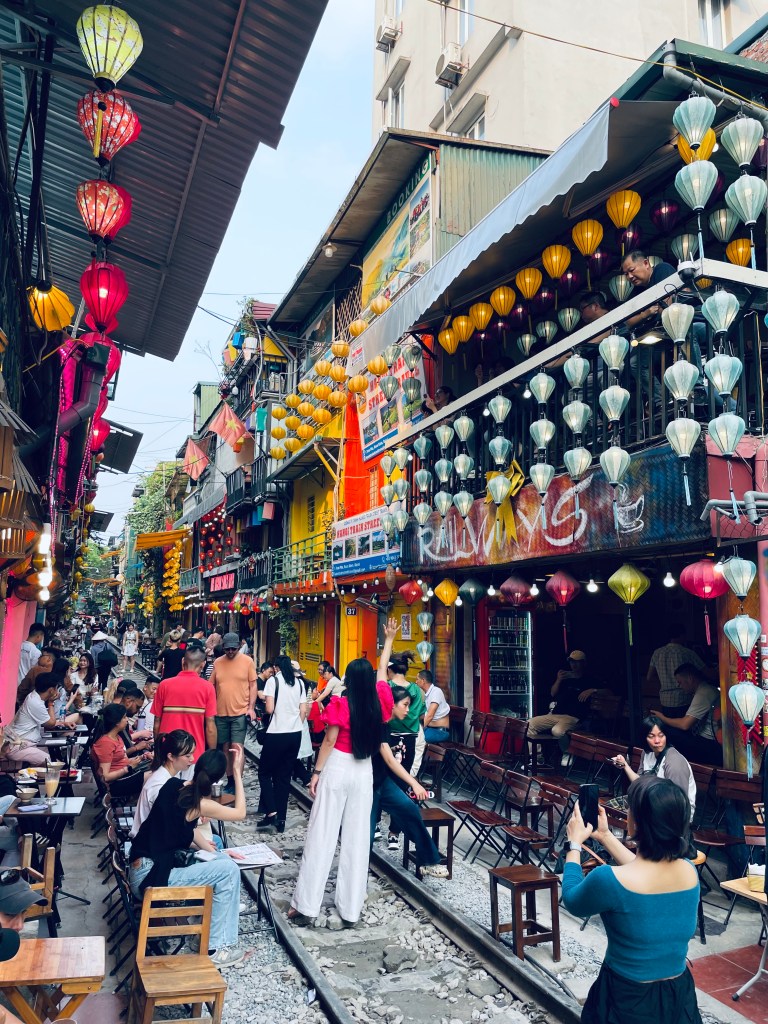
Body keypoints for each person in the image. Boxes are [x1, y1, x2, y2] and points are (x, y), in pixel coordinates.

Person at [562, 776, 702, 1024]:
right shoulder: (689, 872)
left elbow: (572, 899)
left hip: (626, 998)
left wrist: (574, 845)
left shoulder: (608, 880)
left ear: (636, 822)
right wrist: (605, 836)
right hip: (678, 995)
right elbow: (645, 871)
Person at [288, 640, 392, 927]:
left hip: (338, 767)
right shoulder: (380, 703)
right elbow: (383, 671)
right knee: (357, 839)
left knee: (322, 833)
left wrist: (316, 772)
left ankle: (307, 906)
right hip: (363, 772)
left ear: (349, 680)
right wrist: (388, 641)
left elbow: (330, 740)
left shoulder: (341, 704)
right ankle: (350, 910)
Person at [128, 747, 247, 968]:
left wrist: (217, 854)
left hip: (142, 869)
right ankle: (213, 948)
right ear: (216, 780)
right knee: (230, 870)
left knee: (222, 862)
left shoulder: (173, 785)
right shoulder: (200, 804)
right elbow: (240, 813)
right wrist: (237, 774)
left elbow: (186, 831)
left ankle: (200, 929)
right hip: (149, 879)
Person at [371, 684, 449, 878]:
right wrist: (414, 783)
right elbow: (389, 760)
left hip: (381, 781)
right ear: (392, 704)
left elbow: (385, 754)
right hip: (369, 784)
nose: (408, 710)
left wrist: (392, 750)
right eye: (405, 705)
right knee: (367, 833)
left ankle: (429, 860)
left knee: (409, 808)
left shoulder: (385, 724)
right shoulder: (379, 722)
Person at [611, 715, 696, 821]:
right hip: (652, 804)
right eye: (651, 736)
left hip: (674, 816)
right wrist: (625, 765)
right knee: (612, 808)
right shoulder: (647, 753)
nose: (657, 741)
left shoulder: (674, 762)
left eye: (661, 735)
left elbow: (677, 802)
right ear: (644, 738)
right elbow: (640, 783)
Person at [257, 656, 307, 833]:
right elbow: (303, 710)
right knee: (284, 777)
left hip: (276, 734)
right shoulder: (299, 683)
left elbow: (270, 709)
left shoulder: (273, 681)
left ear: (276, 667)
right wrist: (296, 724)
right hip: (295, 734)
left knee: (264, 773)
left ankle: (271, 812)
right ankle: (282, 820)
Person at [151, 646, 218, 776]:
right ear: (203, 664)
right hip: (194, 754)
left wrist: (158, 749)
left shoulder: (164, 685)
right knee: (189, 788)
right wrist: (212, 754)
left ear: (183, 661)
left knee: (166, 787)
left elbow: (156, 723)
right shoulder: (208, 688)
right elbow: (210, 726)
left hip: (168, 752)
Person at [209, 632, 256, 793]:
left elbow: (253, 685)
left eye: (233, 649)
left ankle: (237, 782)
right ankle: (230, 780)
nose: (230, 652)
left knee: (237, 747)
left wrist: (251, 708)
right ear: (223, 647)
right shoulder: (218, 662)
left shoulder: (247, 661)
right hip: (220, 712)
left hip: (240, 712)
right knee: (225, 748)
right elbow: (211, 685)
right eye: (227, 649)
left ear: (238, 647)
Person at [526, 651, 603, 749]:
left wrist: (593, 690)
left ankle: (567, 753)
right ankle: (537, 756)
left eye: (577, 662)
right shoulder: (566, 678)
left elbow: (609, 692)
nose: (574, 664)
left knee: (557, 731)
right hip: (556, 714)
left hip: (574, 717)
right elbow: (553, 693)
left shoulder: (589, 679)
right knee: (529, 724)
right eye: (571, 661)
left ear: (583, 663)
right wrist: (558, 680)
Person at [651, 664, 723, 766]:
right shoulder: (705, 689)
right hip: (706, 740)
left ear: (689, 679)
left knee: (665, 731)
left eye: (680, 682)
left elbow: (685, 725)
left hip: (710, 744)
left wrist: (662, 717)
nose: (679, 686)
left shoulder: (704, 693)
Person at [129, 729, 196, 838]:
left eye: (192, 754)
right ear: (171, 756)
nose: (192, 759)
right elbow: (169, 827)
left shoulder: (167, 775)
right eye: (188, 756)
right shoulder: (160, 785)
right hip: (149, 842)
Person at [92, 703, 153, 798]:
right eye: (124, 717)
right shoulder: (105, 743)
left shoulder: (117, 737)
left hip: (125, 776)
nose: (127, 720)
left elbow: (122, 761)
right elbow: (105, 777)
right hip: (116, 784)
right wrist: (128, 768)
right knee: (156, 776)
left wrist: (142, 757)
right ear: (117, 722)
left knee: (157, 770)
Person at [647, 625, 708, 718]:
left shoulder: (657, 653)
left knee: (669, 725)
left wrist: (664, 680)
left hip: (665, 700)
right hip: (684, 698)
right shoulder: (687, 653)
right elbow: (706, 671)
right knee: (684, 725)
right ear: (681, 635)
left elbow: (649, 677)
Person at [2, 674, 59, 766]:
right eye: (56, 688)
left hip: (25, 743)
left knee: (53, 757)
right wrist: (51, 703)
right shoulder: (35, 702)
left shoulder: (34, 696)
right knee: (50, 763)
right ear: (51, 690)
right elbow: (51, 724)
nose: (57, 691)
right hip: (17, 746)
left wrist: (63, 723)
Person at [417, 669, 451, 743]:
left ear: (423, 680)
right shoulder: (429, 693)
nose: (416, 682)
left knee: (416, 738)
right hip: (432, 729)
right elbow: (425, 714)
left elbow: (430, 716)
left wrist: (419, 729)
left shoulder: (436, 692)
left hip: (441, 732)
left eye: (417, 679)